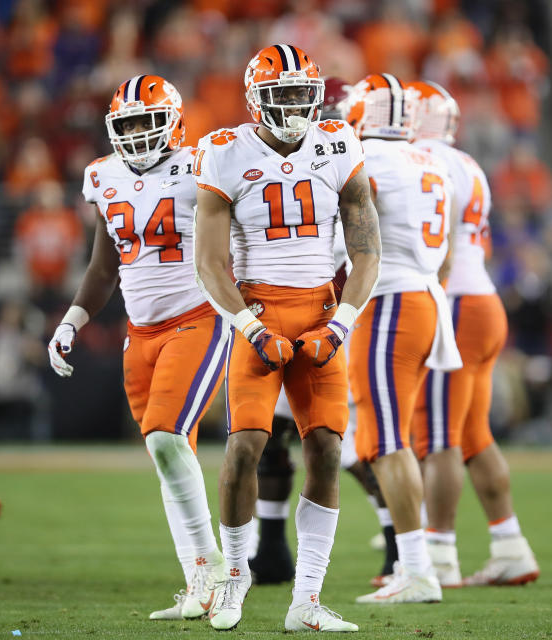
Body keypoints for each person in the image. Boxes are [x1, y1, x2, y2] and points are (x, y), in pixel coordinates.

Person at [194, 45, 380, 632]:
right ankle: (233, 578)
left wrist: (341, 323)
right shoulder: (223, 152)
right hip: (257, 308)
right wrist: (250, 327)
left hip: (322, 308)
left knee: (326, 447)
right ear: (256, 100)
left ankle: (307, 599)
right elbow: (208, 263)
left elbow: (367, 251)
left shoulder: (338, 142)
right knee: (246, 445)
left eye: (304, 93)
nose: (297, 105)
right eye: (284, 95)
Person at [46, 75, 227, 620]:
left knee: (167, 438)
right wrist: (72, 320)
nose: (137, 133)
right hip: (141, 332)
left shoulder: (202, 165)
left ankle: (216, 570)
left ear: (172, 121)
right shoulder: (102, 175)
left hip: (198, 318)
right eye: (126, 124)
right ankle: (197, 583)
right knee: (167, 454)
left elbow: (245, 233)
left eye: (147, 121)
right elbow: (105, 267)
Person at [249, 76, 398, 588]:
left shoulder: (347, 158)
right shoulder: (273, 157)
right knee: (270, 437)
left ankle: (399, 544)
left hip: (334, 312)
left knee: (344, 443)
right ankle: (269, 548)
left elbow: (361, 251)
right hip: (286, 309)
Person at [408, 80, 540, 586]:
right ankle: (511, 545)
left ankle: (438, 557)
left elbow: (430, 244)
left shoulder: (423, 161)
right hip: (483, 301)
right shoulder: (468, 163)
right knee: (471, 435)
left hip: (455, 302)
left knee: (439, 436)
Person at [344, 74, 462, 605]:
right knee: (389, 439)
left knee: (387, 442)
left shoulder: (367, 159)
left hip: (389, 302)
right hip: (423, 297)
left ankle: (416, 569)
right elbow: (451, 251)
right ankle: (414, 565)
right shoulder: (430, 160)